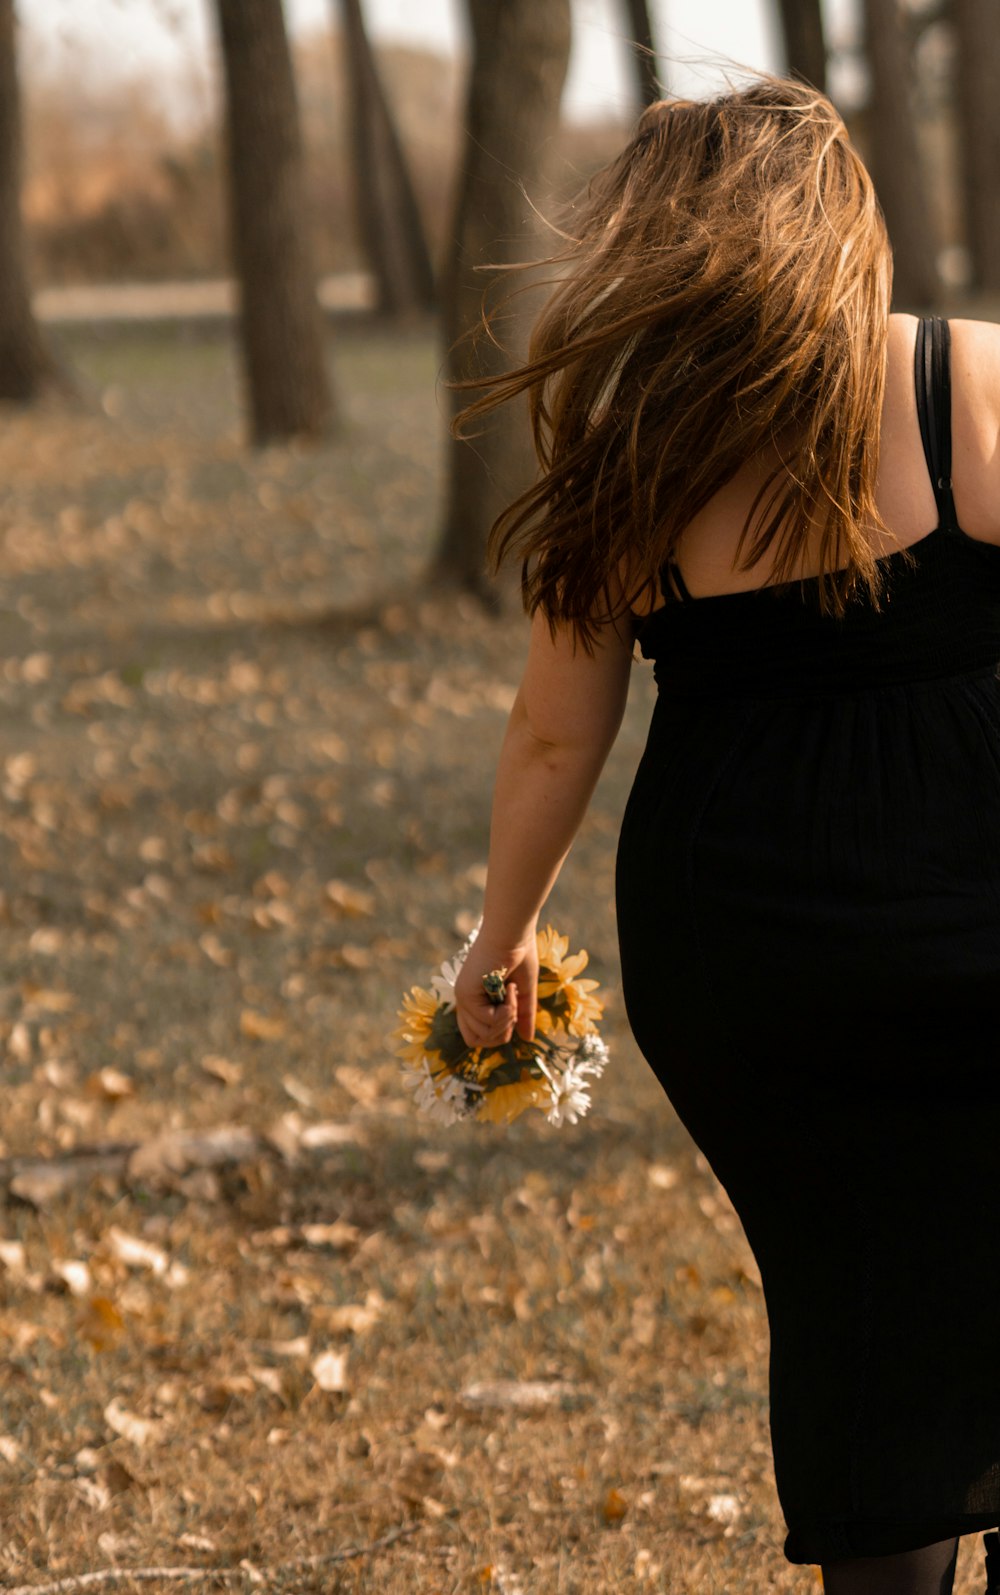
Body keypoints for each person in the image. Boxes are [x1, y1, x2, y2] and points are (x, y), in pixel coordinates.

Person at [451, 76, 1000, 1595]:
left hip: (749, 963)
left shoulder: (633, 455)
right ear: (844, 227)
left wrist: (499, 946)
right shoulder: (971, 385)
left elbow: (559, 732)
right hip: (977, 909)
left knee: (856, 1292)